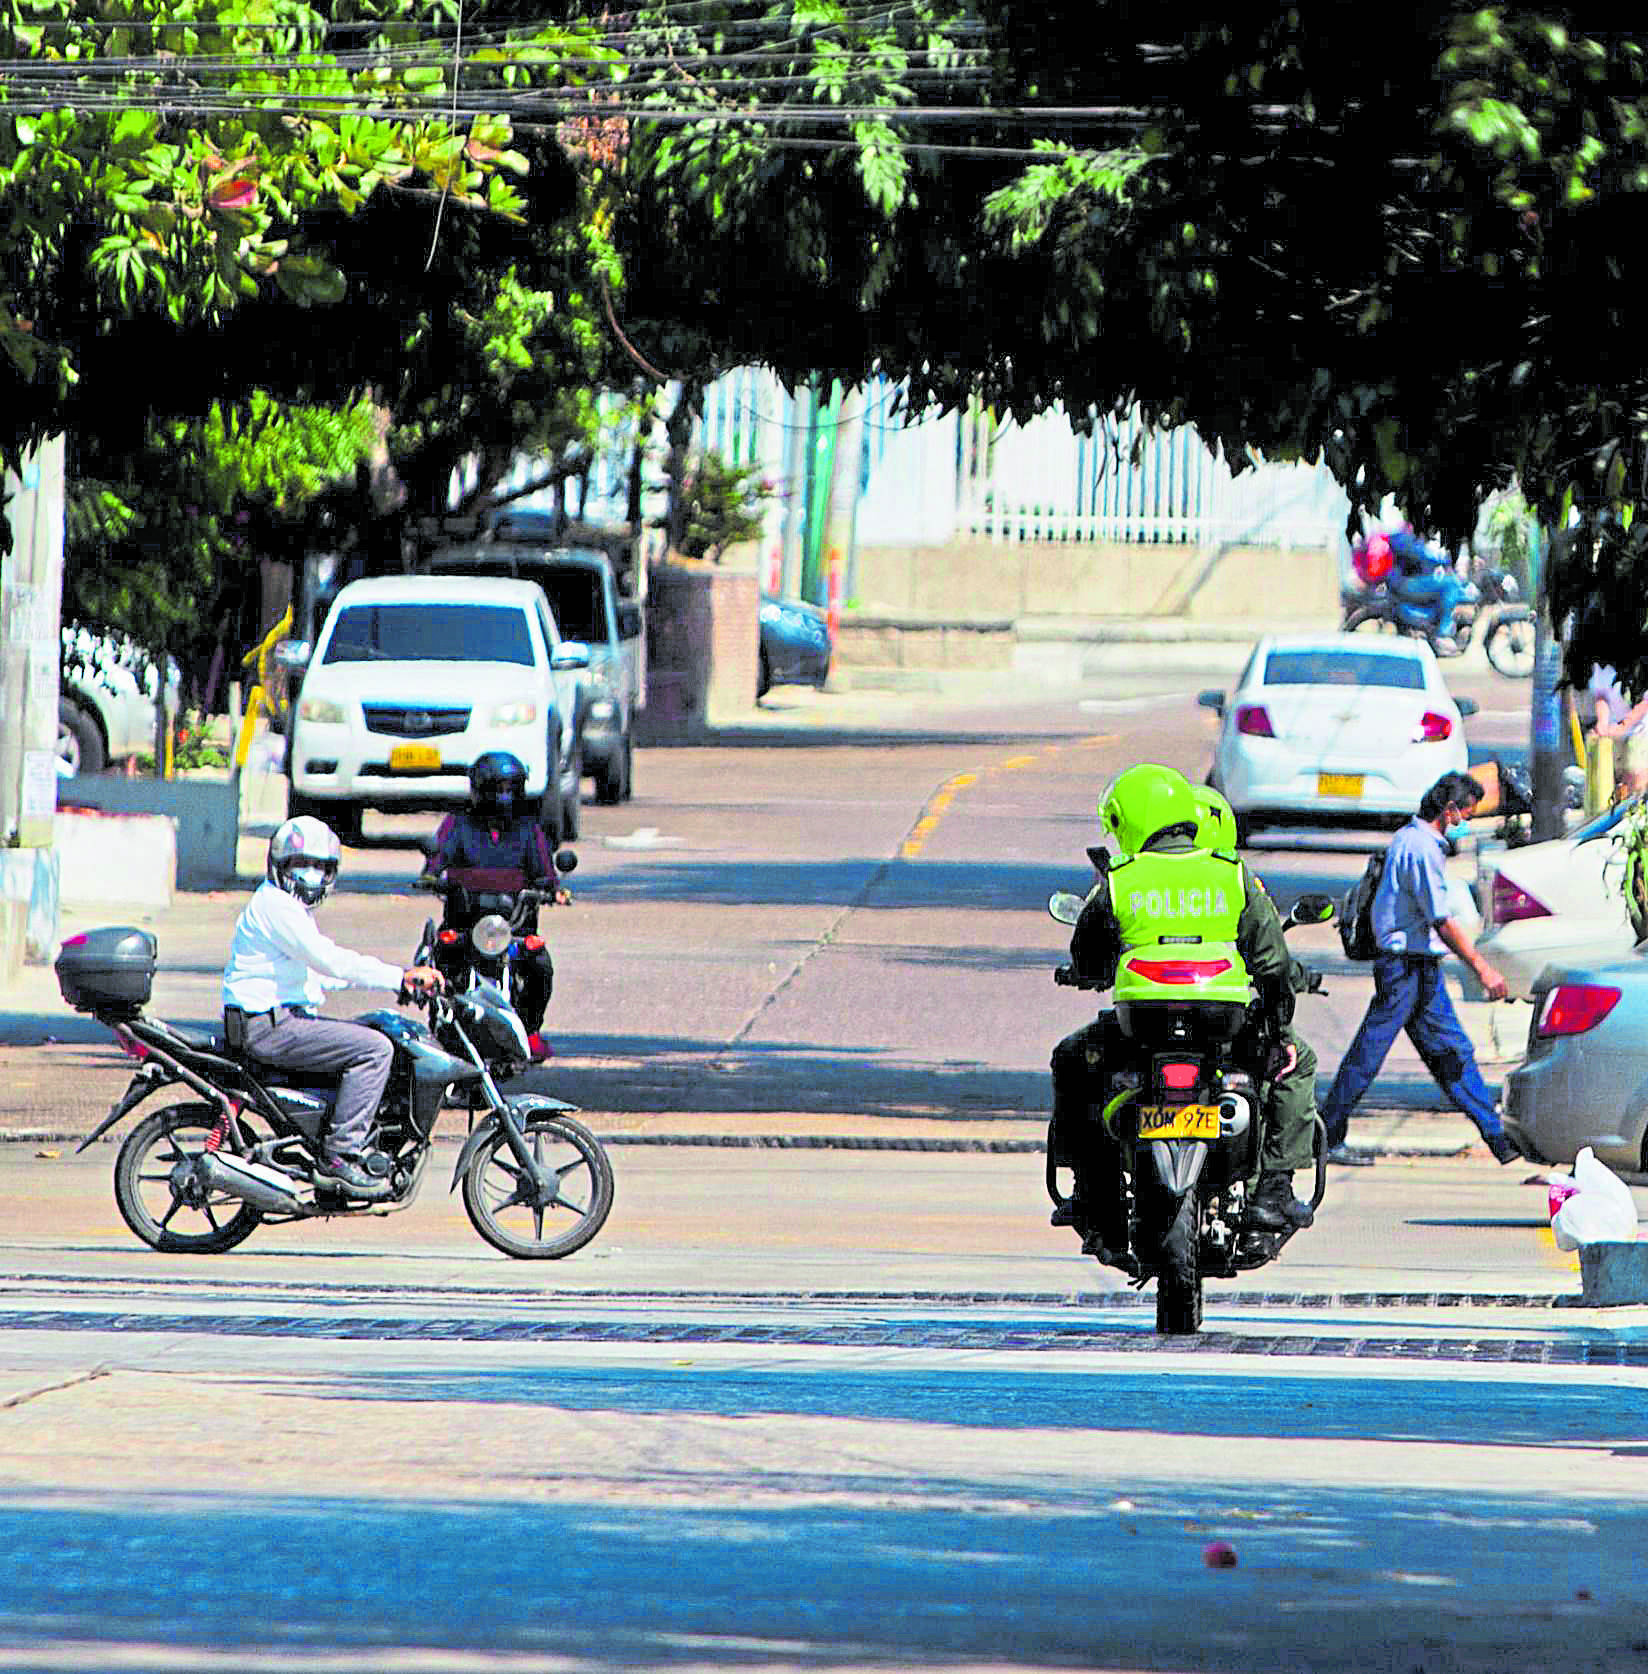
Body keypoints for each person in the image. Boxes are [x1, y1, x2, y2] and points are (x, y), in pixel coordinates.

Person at [1046, 764, 1303, 1264]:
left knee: (1073, 1062)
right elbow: (1272, 963)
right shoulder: (1232, 874)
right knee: (1292, 1064)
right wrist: (1277, 1028)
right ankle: (1273, 1189)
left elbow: (1089, 957)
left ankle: (1093, 1194)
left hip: (1141, 1022)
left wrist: (1092, 970)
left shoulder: (1120, 880)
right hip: (1220, 1019)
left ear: (1129, 821)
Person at [221, 814, 441, 1200]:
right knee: (375, 1049)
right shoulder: (278, 908)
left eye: (321, 867)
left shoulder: (284, 908)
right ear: (280, 865)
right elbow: (329, 960)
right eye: (301, 864)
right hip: (268, 1027)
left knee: (373, 1029)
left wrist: (396, 982)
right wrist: (397, 977)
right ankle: (340, 1156)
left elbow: (317, 974)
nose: (311, 875)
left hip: (276, 1020)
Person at [1318, 771, 1518, 1166]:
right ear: (1448, 811)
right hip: (1404, 968)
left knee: (1451, 1051)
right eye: (1465, 816)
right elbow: (1441, 920)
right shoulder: (1421, 849)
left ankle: (1499, 1139)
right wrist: (1483, 969)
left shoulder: (1411, 839)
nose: (1465, 825)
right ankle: (1327, 1131)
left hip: (1417, 967)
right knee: (1370, 1052)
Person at [422, 751, 564, 1060]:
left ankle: (529, 1031)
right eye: (496, 788)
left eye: (511, 788)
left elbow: (545, 872)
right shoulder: (457, 824)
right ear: (478, 790)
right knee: (443, 957)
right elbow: (436, 859)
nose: (503, 797)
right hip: (464, 925)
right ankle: (445, 1027)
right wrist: (432, 876)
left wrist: (553, 889)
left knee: (540, 965)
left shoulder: (530, 829)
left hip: (513, 928)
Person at [1587, 663, 1648, 799]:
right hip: (1614, 728)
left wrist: (1624, 726)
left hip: (1641, 728)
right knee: (1615, 779)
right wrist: (1602, 723)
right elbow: (1601, 695)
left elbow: (1644, 703)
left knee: (1635, 776)